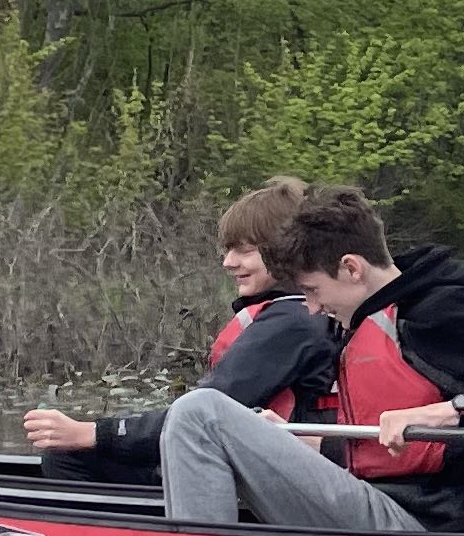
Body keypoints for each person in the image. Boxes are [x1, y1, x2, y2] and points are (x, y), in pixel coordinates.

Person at [151, 182, 464, 536]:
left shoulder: (441, 312)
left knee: (199, 413)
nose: (308, 307)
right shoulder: (360, 318)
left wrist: (454, 411)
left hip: (425, 529)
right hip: (383, 502)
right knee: (220, 422)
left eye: (310, 290)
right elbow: (391, 455)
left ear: (351, 268)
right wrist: (299, 443)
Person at [20, 176, 339, 483]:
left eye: (244, 250)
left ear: (285, 250)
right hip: (260, 467)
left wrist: (91, 433)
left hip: (275, 478)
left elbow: (198, 415)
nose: (228, 262)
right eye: (228, 249)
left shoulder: (292, 322)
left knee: (67, 456)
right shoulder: (297, 314)